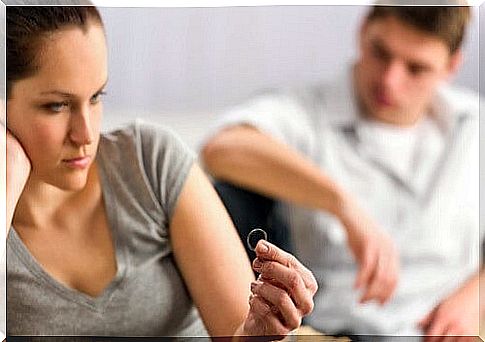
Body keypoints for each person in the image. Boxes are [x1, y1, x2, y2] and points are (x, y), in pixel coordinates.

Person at [4, 6, 318, 337]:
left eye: (96, 97)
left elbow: (239, 334)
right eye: (56, 105)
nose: (85, 135)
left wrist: (259, 332)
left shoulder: (149, 162)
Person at [202, 5, 482, 340]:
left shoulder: (474, 128)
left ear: (451, 66)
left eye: (416, 68)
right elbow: (222, 149)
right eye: (381, 52)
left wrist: (476, 295)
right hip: (330, 330)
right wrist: (341, 204)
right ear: (363, 31)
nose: (390, 80)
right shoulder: (307, 112)